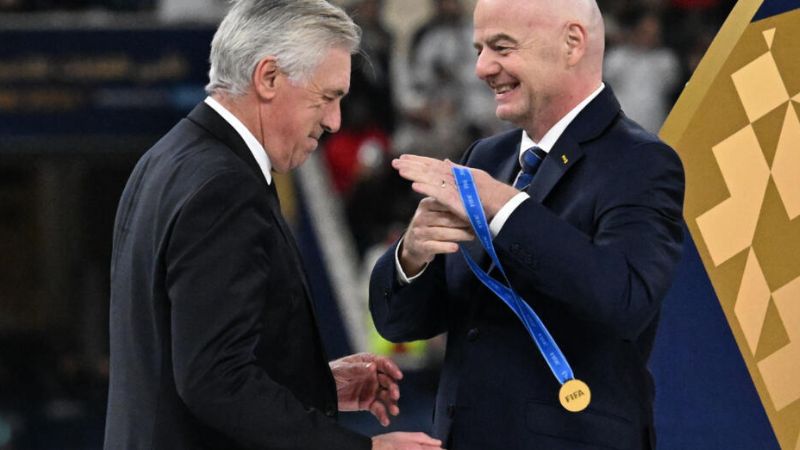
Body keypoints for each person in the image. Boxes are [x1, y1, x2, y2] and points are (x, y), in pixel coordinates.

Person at [104, 1, 444, 450]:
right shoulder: (224, 189)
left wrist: (315, 385)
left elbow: (186, 353)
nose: (334, 122)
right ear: (268, 78)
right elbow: (215, 381)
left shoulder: (166, 159)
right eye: (327, 97)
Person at [369, 0, 685, 449]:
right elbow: (399, 324)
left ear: (572, 43)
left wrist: (505, 206)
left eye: (501, 47)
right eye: (478, 48)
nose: (481, 68)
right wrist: (412, 255)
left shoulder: (642, 163)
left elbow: (626, 301)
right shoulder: (484, 158)